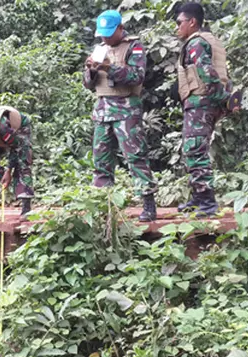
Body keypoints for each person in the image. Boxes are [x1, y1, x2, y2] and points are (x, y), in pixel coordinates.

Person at [83, 10, 158, 222]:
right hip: (103, 109)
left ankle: (148, 203)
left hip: (127, 109)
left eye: (109, 33)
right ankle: (104, 205)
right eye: (103, 34)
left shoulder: (134, 47)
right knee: (101, 161)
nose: (105, 38)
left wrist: (110, 67)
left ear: (120, 29)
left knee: (135, 156)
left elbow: (137, 76)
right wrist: (91, 71)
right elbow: (88, 84)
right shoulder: (100, 48)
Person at [173, 2, 239, 216]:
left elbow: (207, 73)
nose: (177, 27)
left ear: (192, 22)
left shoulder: (196, 43)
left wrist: (223, 98)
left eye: (179, 22)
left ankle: (207, 203)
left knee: (195, 150)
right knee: (194, 149)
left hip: (202, 102)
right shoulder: (210, 40)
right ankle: (199, 197)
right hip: (206, 102)